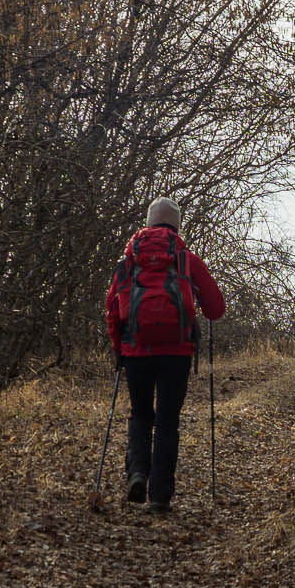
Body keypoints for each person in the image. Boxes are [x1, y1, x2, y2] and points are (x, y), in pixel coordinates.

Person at [105, 198, 225, 514]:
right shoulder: (186, 260)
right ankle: (160, 497)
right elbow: (216, 309)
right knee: (168, 422)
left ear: (148, 223)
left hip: (136, 352)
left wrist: (120, 349)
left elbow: (112, 309)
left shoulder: (127, 262)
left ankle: (137, 474)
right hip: (176, 352)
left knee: (141, 414)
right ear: (176, 226)